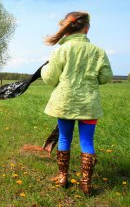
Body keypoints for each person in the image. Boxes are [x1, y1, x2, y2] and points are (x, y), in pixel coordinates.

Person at [40, 11, 113, 195]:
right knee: (87, 142)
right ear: (86, 29)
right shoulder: (99, 52)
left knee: (65, 138)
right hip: (89, 105)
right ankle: (86, 183)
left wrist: (45, 68)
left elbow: (49, 78)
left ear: (66, 29)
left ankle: (63, 177)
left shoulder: (60, 50)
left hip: (65, 103)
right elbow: (105, 78)